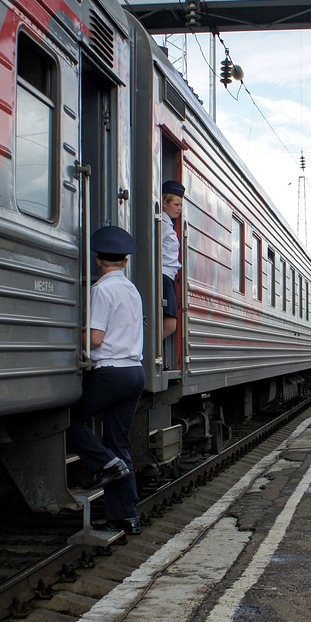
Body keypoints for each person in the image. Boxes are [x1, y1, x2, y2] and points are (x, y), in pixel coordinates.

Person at [68, 226, 145, 536]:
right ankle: (127, 518)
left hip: (110, 372)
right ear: (125, 261)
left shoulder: (101, 290)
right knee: (119, 444)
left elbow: (96, 338)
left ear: (99, 261)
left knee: (71, 422)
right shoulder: (132, 290)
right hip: (134, 373)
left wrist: (74, 336)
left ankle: (106, 465)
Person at [161, 179, 184, 341]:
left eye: (181, 205)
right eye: (176, 204)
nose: (179, 209)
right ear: (164, 203)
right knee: (170, 325)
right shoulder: (161, 225)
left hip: (168, 276)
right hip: (164, 276)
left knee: (169, 323)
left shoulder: (167, 224)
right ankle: (143, 350)